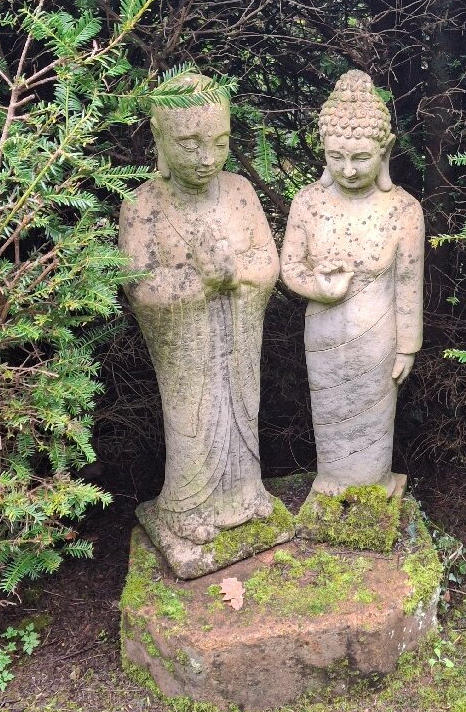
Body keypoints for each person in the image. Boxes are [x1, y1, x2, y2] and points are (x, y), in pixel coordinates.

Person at [119, 74, 278, 568]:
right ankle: (184, 506)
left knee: (241, 408)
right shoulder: (142, 205)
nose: (207, 158)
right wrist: (200, 283)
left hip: (238, 333)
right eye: (190, 144)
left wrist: (234, 274)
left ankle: (247, 493)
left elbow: (268, 263)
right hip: (186, 347)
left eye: (220, 142)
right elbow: (140, 286)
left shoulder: (240, 192)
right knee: (193, 417)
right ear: (160, 137)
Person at [280, 70, 425, 497]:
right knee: (329, 410)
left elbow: (408, 282)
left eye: (361, 157)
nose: (348, 169)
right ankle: (332, 481)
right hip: (323, 331)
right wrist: (317, 286)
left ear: (385, 150)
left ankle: (373, 483)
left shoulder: (403, 209)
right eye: (335, 156)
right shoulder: (308, 202)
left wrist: (408, 346)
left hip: (378, 335)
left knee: (373, 416)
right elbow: (290, 266)